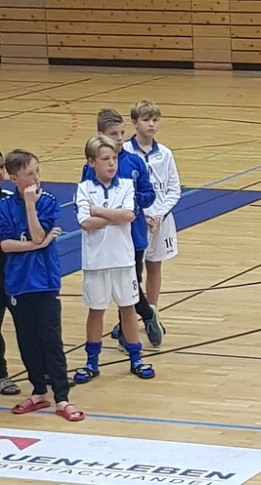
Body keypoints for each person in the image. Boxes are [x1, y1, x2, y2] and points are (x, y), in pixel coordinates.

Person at [0, 149, 82, 422]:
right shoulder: (4, 207)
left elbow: (36, 234)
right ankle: (38, 391)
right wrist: (39, 244)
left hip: (44, 282)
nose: (36, 177)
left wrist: (30, 207)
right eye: (29, 173)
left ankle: (62, 397)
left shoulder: (47, 201)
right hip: (17, 282)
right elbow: (5, 245)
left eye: (38, 171)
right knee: (26, 340)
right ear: (14, 178)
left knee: (51, 339)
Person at [73, 135, 155, 384]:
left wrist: (99, 211)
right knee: (96, 311)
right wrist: (114, 216)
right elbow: (86, 223)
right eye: (105, 159)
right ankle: (91, 362)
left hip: (123, 260)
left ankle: (136, 358)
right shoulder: (84, 189)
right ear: (92, 162)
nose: (111, 163)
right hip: (96, 263)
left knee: (128, 309)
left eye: (114, 158)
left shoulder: (126, 185)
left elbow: (129, 215)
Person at [92, 109, 162, 349]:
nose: (120, 138)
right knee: (114, 284)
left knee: (131, 283)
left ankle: (127, 331)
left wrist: (131, 201)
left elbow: (149, 194)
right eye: (114, 134)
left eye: (122, 133)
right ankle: (147, 314)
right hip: (106, 236)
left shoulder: (134, 162)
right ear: (101, 135)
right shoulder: (92, 166)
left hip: (133, 235)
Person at [124, 100, 181, 319]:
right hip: (135, 220)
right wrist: (143, 213)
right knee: (131, 270)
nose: (151, 124)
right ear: (134, 122)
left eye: (155, 120)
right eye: (146, 119)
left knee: (155, 266)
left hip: (161, 221)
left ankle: (152, 314)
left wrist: (160, 213)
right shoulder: (125, 152)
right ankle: (128, 316)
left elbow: (174, 189)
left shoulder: (165, 153)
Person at [0, 149, 20, 396]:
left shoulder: (8, 199)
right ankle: (1, 375)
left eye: (1, 167)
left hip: (14, 274)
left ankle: (43, 371)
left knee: (31, 326)